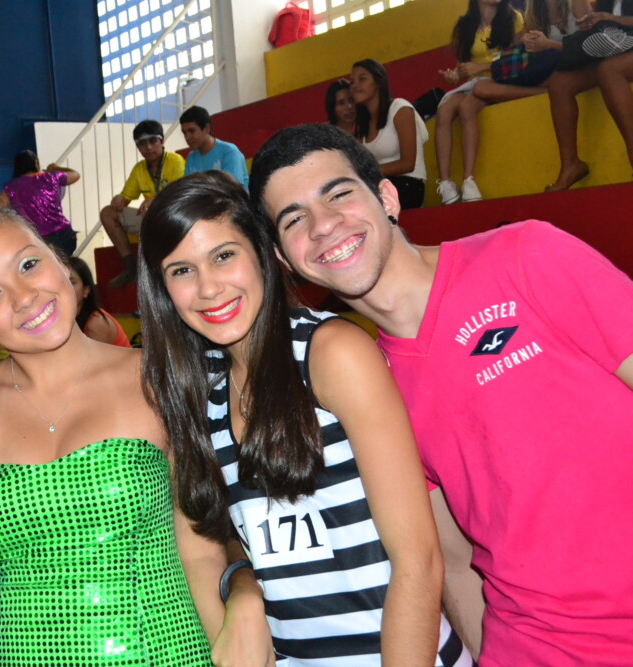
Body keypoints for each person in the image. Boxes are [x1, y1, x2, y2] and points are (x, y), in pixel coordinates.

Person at [249, 122, 633, 664]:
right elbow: (453, 561)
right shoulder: (371, 385)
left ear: (387, 198)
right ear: (285, 259)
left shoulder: (525, 255)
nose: (324, 226)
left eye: (338, 194)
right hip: (532, 646)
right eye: (294, 220)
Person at [137, 171, 471, 666]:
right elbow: (224, 538)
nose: (208, 288)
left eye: (224, 256)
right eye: (181, 270)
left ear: (263, 252)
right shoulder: (197, 393)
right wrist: (242, 589)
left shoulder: (331, 352)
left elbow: (417, 561)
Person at [0, 204, 225, 665]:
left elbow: (200, 551)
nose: (24, 297)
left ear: (62, 263)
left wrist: (230, 640)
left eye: (28, 265)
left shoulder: (159, 377)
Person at [434, 0, 524, 204]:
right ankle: (445, 183)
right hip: (474, 83)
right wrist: (453, 76)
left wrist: (482, 67)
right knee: (445, 108)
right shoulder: (464, 25)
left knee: (466, 106)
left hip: (501, 78)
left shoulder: (514, 18)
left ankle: (468, 180)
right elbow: (462, 68)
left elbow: (517, 57)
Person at [545, 0, 633, 191]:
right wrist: (592, 22)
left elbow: (613, 22)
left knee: (609, 70)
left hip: (622, 54)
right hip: (617, 49)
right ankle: (571, 165)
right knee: (560, 84)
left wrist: (612, 19)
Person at [98, 119, 184, 289]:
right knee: (107, 213)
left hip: (173, 220)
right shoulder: (139, 169)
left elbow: (179, 194)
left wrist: (155, 200)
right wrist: (118, 199)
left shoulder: (175, 161)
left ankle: (159, 276)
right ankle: (130, 268)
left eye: (153, 141)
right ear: (138, 147)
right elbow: (125, 198)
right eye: (142, 144)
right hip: (150, 221)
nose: (148, 147)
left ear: (162, 141)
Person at [351, 59, 429, 209]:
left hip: (409, 185)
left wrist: (368, 172)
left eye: (362, 79)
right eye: (352, 82)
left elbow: (408, 164)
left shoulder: (400, 108)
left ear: (378, 82)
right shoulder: (363, 126)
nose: (355, 86)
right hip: (381, 186)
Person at [0, 149, 81, 255]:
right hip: (64, 235)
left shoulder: (11, 188)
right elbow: (75, 175)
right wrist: (56, 168)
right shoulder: (51, 177)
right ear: (36, 163)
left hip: (38, 240)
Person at [63, 253, 131, 347]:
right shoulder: (65, 317)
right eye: (62, 281)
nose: (65, 286)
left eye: (72, 282)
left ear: (86, 291)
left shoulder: (96, 322)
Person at [180, 105, 250, 188]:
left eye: (192, 131)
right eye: (184, 133)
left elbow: (233, 190)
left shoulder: (229, 152)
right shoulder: (191, 158)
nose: (187, 137)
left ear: (207, 128)